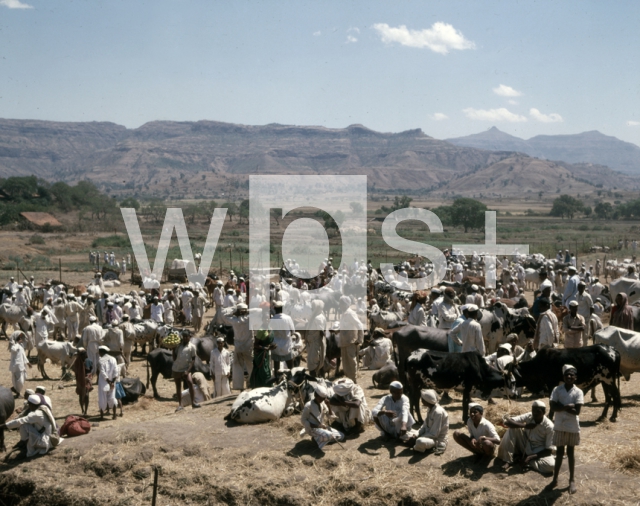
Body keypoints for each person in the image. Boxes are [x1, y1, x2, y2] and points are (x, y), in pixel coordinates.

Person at [548, 365, 584, 494]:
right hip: (559, 425)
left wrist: (560, 406)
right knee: (559, 453)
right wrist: (568, 406)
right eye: (567, 375)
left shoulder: (578, 392)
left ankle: (571, 480)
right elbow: (553, 407)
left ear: (575, 377)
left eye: (572, 375)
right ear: (563, 377)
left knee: (570, 453)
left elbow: (577, 411)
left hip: (572, 426)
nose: (569, 376)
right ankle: (555, 478)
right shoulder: (557, 390)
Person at [498, 400, 555, 474]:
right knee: (512, 428)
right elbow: (507, 422)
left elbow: (548, 450)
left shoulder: (549, 426)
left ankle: (524, 461)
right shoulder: (529, 416)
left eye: (538, 411)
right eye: (533, 410)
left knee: (551, 466)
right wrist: (525, 425)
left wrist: (530, 458)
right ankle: (508, 460)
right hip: (525, 444)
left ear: (544, 412)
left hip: (539, 450)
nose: (535, 413)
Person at [221, 303, 254, 390]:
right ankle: (253, 384)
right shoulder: (249, 318)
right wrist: (246, 310)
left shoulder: (234, 320)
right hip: (249, 347)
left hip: (238, 347)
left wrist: (235, 309)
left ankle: (239, 386)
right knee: (251, 366)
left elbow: (224, 315)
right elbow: (259, 311)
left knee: (238, 366)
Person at [300, 385, 345, 450]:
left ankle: (321, 439)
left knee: (341, 436)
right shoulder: (308, 405)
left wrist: (328, 406)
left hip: (322, 428)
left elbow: (330, 416)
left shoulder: (322, 403)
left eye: (323, 399)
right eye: (320, 398)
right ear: (315, 395)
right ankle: (316, 439)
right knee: (329, 435)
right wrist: (318, 426)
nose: (321, 400)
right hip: (312, 429)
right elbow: (303, 420)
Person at [407, 389, 449, 455]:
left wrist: (418, 438)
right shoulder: (430, 408)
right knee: (408, 433)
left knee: (419, 441)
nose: (421, 400)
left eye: (422, 399)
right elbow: (424, 426)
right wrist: (415, 435)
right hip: (428, 434)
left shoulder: (438, 412)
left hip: (436, 439)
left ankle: (425, 447)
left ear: (427, 401)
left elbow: (434, 434)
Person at [338, 296, 364, 383]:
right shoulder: (344, 313)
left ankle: (354, 381)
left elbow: (359, 325)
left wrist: (360, 339)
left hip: (351, 342)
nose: (340, 305)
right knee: (346, 364)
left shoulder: (350, 313)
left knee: (352, 362)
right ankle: (349, 381)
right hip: (344, 342)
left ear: (345, 304)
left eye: (341, 303)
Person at [172, 331, 200, 411]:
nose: (184, 338)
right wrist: (173, 349)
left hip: (186, 369)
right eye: (183, 337)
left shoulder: (192, 347)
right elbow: (174, 359)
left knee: (190, 383)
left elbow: (193, 360)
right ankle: (180, 405)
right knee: (178, 386)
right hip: (176, 368)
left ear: (189, 337)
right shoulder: (178, 346)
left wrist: (187, 371)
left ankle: (193, 402)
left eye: (186, 337)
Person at [305, 299, 327, 377]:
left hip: (316, 344)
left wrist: (320, 347)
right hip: (312, 343)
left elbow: (321, 332)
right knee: (312, 362)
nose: (311, 308)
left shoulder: (319, 318)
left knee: (314, 363)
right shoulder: (315, 316)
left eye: (313, 307)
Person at [97, 345, 119, 420]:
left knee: (102, 399)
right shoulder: (113, 359)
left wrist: (108, 381)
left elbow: (102, 373)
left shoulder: (100, 361)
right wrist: (112, 381)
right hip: (112, 382)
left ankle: (102, 417)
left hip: (103, 383)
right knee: (112, 398)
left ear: (101, 352)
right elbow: (116, 370)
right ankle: (114, 415)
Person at [9, 331, 31, 397]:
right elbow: (13, 349)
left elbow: (23, 355)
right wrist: (16, 343)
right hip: (17, 365)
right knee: (19, 380)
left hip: (22, 365)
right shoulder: (14, 346)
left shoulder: (20, 346)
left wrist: (28, 363)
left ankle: (15, 389)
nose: (21, 339)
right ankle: (17, 392)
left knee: (24, 377)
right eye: (20, 338)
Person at [73, 347, 93, 416]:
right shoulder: (77, 362)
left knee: (87, 395)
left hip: (87, 380)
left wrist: (87, 377)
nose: (85, 357)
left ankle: (86, 411)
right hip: (80, 380)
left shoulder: (88, 361)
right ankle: (82, 409)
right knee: (81, 395)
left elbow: (90, 370)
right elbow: (75, 370)